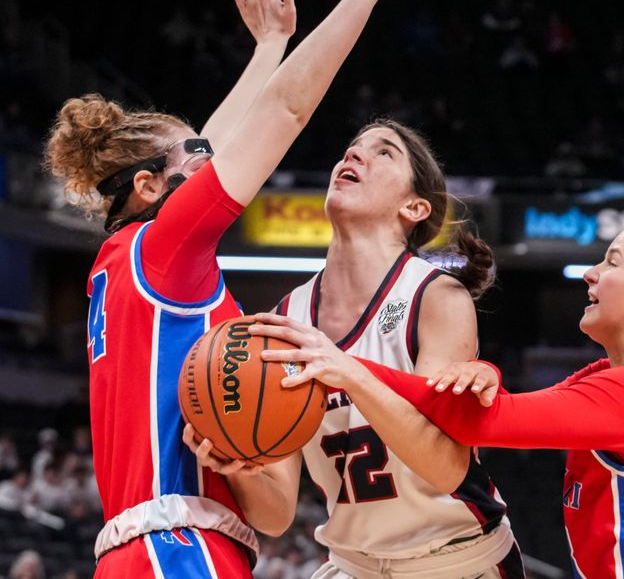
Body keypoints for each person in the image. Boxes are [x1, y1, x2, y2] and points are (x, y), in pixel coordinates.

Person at [43, 0, 404, 579]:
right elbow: (288, 110)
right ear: (149, 186)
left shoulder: (127, 266)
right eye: (194, 160)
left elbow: (271, 516)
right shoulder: (162, 250)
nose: (213, 162)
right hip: (176, 550)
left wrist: (269, 44)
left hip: (149, 549)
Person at [256, 222, 624, 578]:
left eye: (613, 262)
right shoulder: (623, 380)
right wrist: (483, 370)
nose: (591, 273)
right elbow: (501, 406)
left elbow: (483, 423)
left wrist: (347, 364)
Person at [187, 120, 525, 578]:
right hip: (354, 565)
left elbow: (446, 468)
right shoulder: (290, 315)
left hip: (454, 560)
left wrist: (349, 372)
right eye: (351, 148)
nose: (354, 156)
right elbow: (276, 515)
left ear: (415, 207)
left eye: (384, 152)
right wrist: (237, 464)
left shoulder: (435, 297)